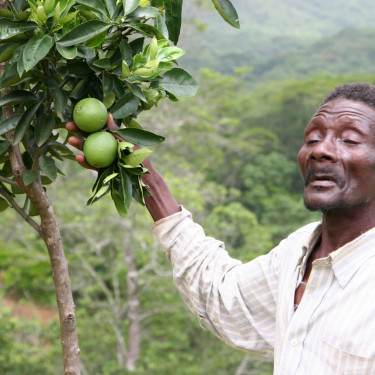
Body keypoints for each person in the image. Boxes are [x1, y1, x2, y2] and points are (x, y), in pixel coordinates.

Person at [66, 82, 375, 374]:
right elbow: (222, 295)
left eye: (349, 139)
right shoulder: (298, 253)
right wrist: (144, 175)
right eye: (312, 138)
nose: (321, 150)